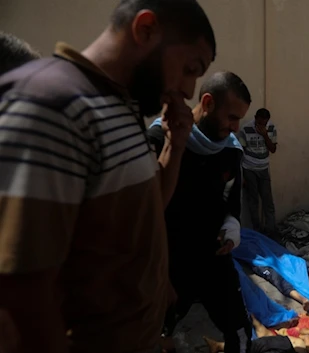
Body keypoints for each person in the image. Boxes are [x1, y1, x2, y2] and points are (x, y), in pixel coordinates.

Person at [0, 1, 216, 352]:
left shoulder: (122, 105)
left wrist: (176, 146)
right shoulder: (51, 104)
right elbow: (22, 299)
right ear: (145, 29)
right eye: (190, 68)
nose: (189, 91)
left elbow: (145, 206)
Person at [147, 71, 253, 353]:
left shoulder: (231, 151)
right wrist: (157, 273)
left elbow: (231, 201)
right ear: (207, 103)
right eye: (231, 117)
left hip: (212, 257)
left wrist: (232, 227)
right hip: (168, 262)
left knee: (241, 333)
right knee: (154, 336)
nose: (236, 127)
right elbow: (143, 214)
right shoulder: (159, 138)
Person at [204, 315, 309, 353]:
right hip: (287, 342)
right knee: (257, 346)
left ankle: (220, 346)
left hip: (290, 348)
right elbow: (303, 331)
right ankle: (220, 346)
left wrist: (308, 344)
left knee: (258, 346)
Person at [238, 108, 278, 237]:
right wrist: (242, 175)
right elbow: (240, 152)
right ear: (255, 118)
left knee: (268, 201)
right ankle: (257, 231)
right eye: (259, 123)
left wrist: (265, 135)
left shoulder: (271, 128)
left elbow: (273, 149)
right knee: (253, 201)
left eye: (264, 124)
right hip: (249, 169)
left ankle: (271, 230)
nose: (261, 126)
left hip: (263, 169)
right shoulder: (246, 129)